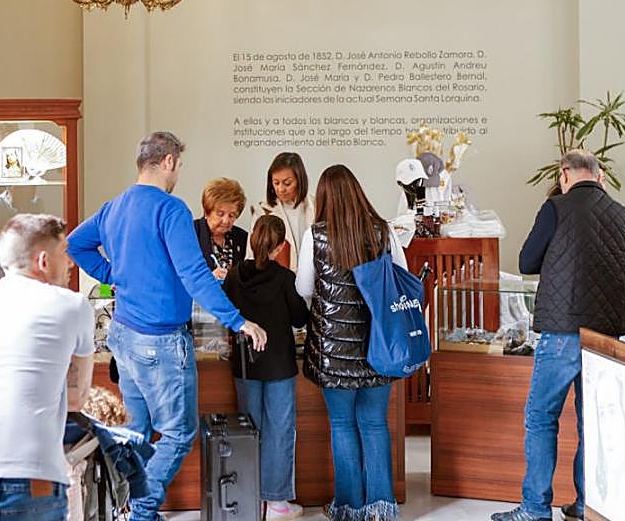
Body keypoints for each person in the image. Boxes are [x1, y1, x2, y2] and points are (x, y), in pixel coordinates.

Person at [67, 131, 267, 521]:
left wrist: (114, 275)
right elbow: (195, 275)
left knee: (138, 431)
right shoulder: (171, 209)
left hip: (124, 335)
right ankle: (141, 510)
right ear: (170, 161)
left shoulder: (115, 206)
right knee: (178, 434)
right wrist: (238, 320)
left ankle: (130, 506)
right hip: (159, 340)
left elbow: (76, 244)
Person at [493, 151, 625, 521]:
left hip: (562, 332)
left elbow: (527, 262)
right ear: (599, 176)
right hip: (606, 338)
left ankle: (534, 508)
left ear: (564, 174)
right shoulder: (622, 214)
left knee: (541, 416)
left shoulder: (555, 208)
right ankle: (584, 503)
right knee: (590, 421)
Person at [0, 214, 95, 521]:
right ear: (43, 261)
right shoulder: (73, 305)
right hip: (35, 479)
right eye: (64, 253)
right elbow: (80, 397)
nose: (70, 264)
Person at [297, 165, 407, 521]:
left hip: (333, 350)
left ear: (324, 198)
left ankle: (349, 507)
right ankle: (382, 506)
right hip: (379, 347)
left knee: (342, 425)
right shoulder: (383, 231)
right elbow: (400, 280)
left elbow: (304, 289)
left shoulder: (315, 236)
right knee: (375, 423)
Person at [222, 215, 310, 519]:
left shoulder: (234, 275)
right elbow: (300, 318)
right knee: (280, 432)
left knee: (250, 432)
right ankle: (276, 503)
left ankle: (250, 498)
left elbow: (225, 314)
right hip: (279, 366)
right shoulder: (286, 279)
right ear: (281, 246)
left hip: (245, 367)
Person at [249, 152, 315, 271]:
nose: (281, 189)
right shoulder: (263, 211)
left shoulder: (316, 206)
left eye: (287, 183)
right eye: (276, 183)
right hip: (276, 283)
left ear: (300, 180)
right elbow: (251, 256)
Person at [196, 177, 249, 280]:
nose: (226, 221)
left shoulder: (243, 238)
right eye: (220, 214)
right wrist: (209, 278)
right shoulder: (192, 232)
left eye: (231, 215)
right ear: (207, 211)